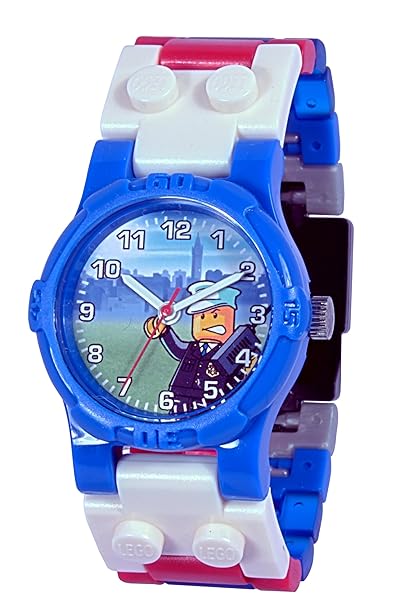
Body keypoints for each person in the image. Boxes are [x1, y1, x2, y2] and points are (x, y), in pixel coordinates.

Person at [144, 281, 258, 412]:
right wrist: (164, 331)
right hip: (178, 399)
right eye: (201, 316)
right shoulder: (192, 348)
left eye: (215, 315)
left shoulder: (231, 353)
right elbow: (177, 348)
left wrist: (248, 366)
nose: (207, 322)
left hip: (213, 405)